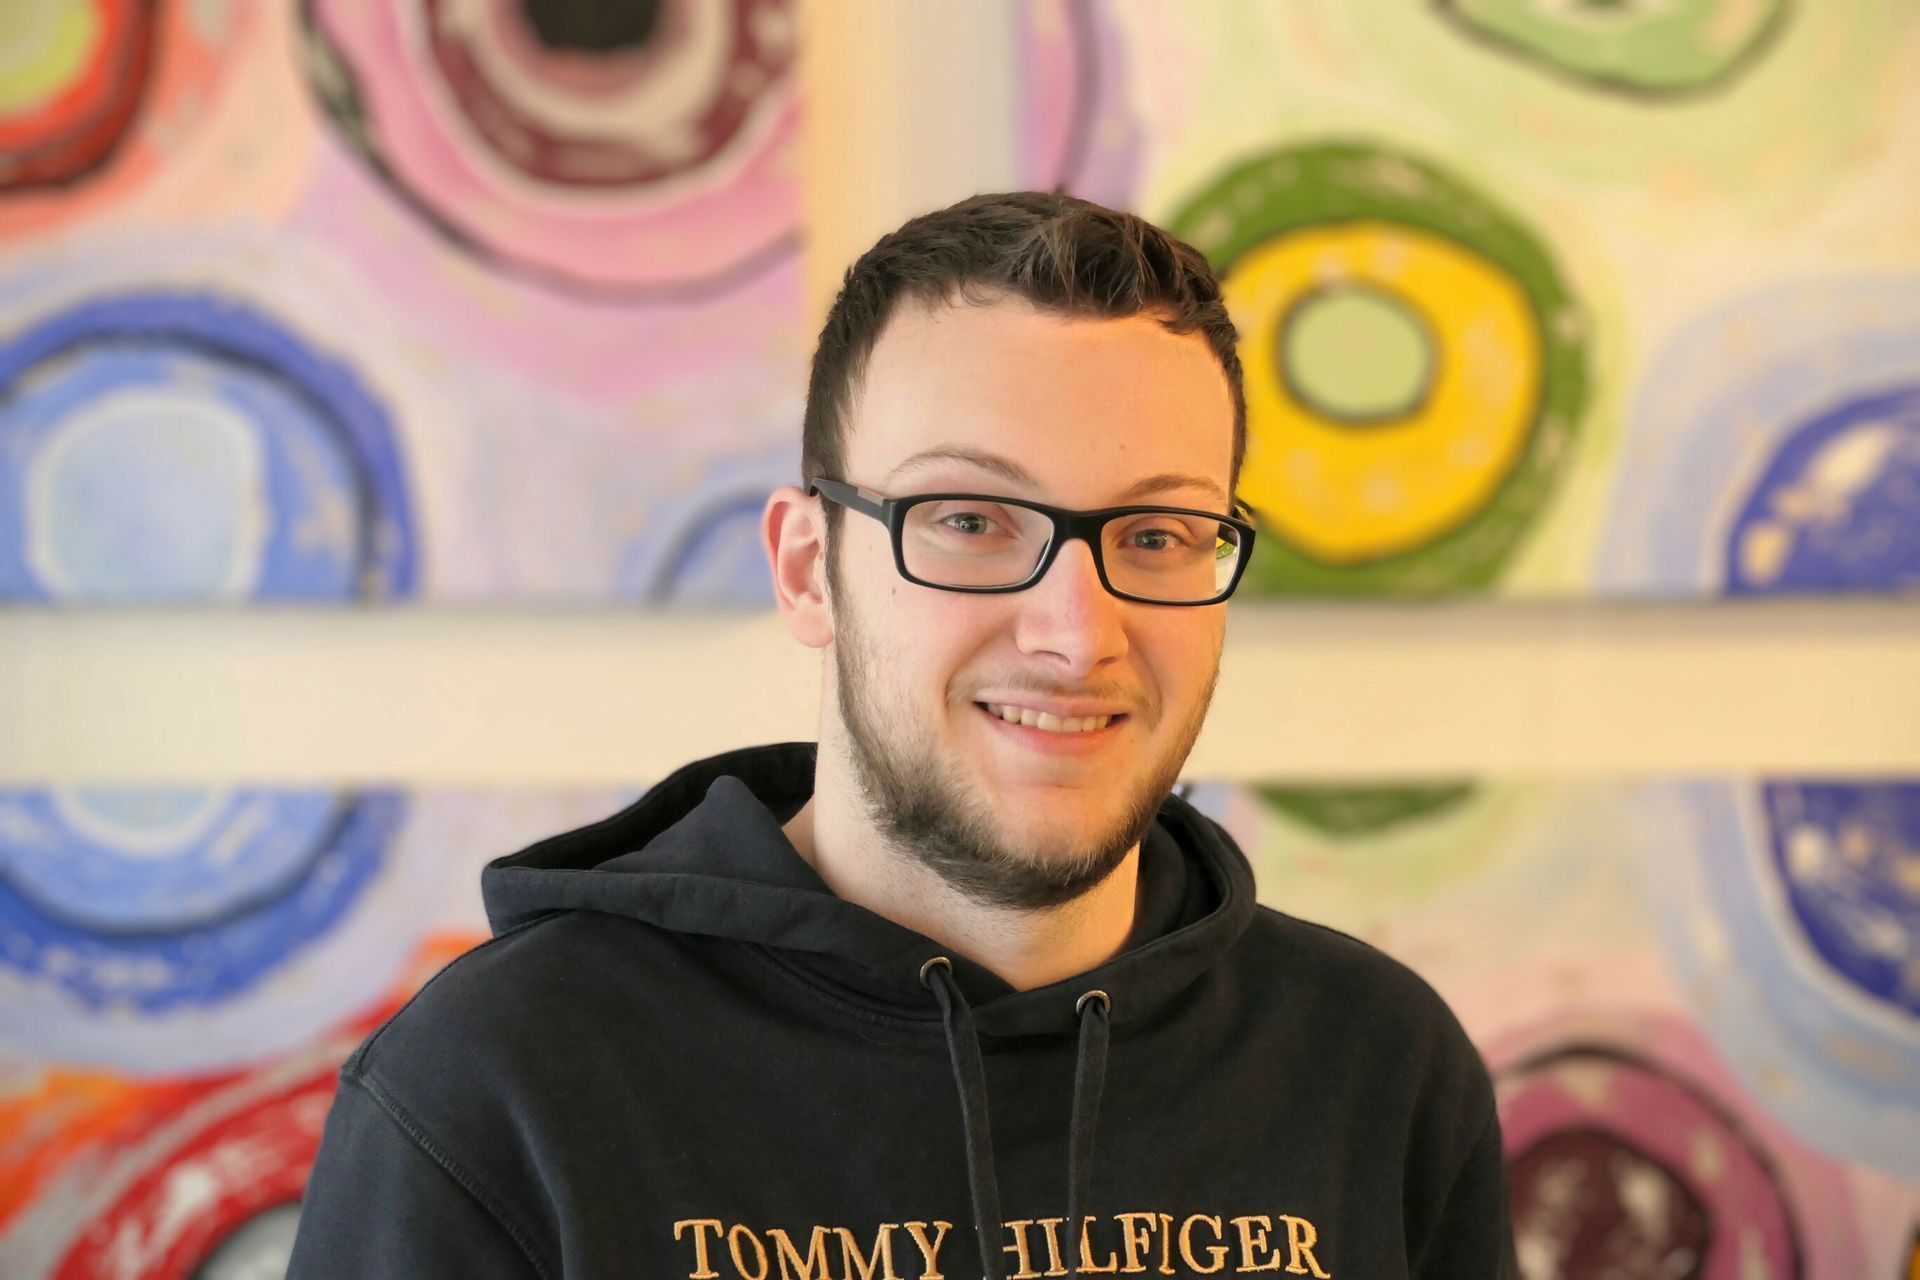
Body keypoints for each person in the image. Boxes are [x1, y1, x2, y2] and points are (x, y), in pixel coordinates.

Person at [287, 192, 1517, 1279]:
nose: (1076, 631)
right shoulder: (500, 1089)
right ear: (810, 566)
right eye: (971, 518)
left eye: (1156, 534)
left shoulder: (1376, 1068)